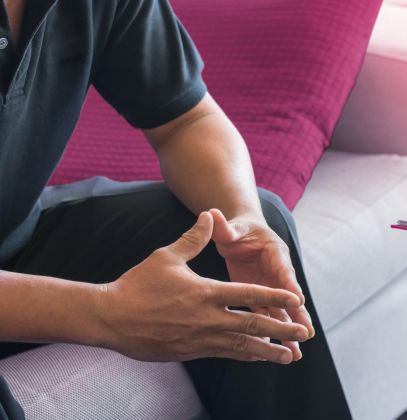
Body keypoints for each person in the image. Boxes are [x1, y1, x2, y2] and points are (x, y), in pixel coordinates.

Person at [0, 0, 351, 419]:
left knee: (237, 237)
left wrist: (245, 219)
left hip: (14, 236)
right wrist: (104, 312)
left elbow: (185, 120)